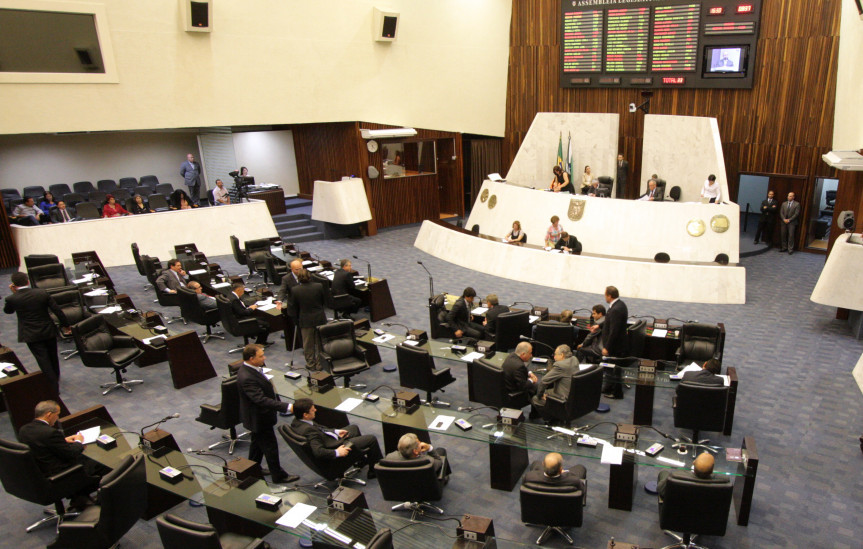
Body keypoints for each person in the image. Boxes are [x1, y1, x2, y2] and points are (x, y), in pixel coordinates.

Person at [18, 401, 101, 509]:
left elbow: (40, 444)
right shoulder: (50, 433)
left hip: (40, 472)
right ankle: (81, 497)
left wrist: (63, 441)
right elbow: (70, 454)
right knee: (98, 463)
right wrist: (79, 442)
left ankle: (79, 497)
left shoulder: (24, 430)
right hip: (59, 474)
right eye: (57, 415)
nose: (57, 418)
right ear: (49, 414)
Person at [236, 344, 299, 484]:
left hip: (256, 417)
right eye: (261, 356)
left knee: (256, 445)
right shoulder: (247, 377)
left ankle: (253, 468)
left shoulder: (251, 369)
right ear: (251, 359)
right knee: (270, 448)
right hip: (259, 418)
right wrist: (287, 407)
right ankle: (278, 476)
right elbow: (261, 400)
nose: (264, 358)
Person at [4, 272, 68, 391]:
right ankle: (56, 376)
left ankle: (53, 385)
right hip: (47, 330)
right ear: (27, 281)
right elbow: (57, 310)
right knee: (53, 355)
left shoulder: (12, 298)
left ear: (14, 285)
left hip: (31, 334)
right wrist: (66, 325)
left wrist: (14, 294)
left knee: (42, 359)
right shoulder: (41, 293)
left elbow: (8, 311)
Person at [291, 398, 383, 479]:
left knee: (353, 428)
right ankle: (374, 472)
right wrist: (337, 452)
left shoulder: (297, 422)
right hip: (333, 448)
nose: (315, 409)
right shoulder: (309, 431)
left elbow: (321, 429)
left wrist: (336, 431)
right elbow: (318, 452)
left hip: (327, 439)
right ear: (305, 415)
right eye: (312, 410)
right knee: (371, 439)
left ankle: (360, 459)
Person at [287, 269, 327, 370]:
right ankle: (320, 364)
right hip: (319, 318)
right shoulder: (319, 286)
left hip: (305, 320)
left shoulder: (295, 290)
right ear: (310, 277)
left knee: (308, 344)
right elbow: (324, 301)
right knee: (320, 343)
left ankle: (311, 364)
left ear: (299, 278)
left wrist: (296, 320)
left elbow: (292, 308)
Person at [531, 345, 579, 417]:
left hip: (563, 398)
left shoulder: (560, 366)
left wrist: (540, 396)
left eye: (555, 354)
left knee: (535, 399)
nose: (554, 357)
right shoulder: (575, 359)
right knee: (548, 390)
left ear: (562, 355)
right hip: (574, 396)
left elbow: (544, 381)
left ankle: (551, 419)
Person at [657, 452, 726, 499]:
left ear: (693, 463)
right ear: (712, 469)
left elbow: (660, 490)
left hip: (677, 515)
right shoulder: (724, 482)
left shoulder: (675, 477)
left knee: (664, 472)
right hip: (707, 517)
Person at [387, 432, 451, 481]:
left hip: (401, 487)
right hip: (424, 487)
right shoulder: (428, 462)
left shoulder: (390, 457)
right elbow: (439, 462)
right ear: (415, 451)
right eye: (419, 442)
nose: (421, 442)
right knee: (441, 450)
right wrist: (429, 448)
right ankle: (444, 479)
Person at [230, 281, 272, 346]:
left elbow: (239, 309)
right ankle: (259, 343)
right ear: (238, 290)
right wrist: (251, 308)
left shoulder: (231, 296)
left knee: (262, 318)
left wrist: (248, 307)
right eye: (243, 290)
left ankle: (260, 341)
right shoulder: (235, 300)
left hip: (235, 319)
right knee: (266, 323)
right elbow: (243, 313)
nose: (243, 293)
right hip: (241, 321)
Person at [601, 286, 628, 358]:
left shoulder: (615, 309)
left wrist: (607, 348)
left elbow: (614, 331)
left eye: (605, 295)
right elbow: (609, 320)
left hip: (614, 348)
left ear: (609, 296)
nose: (605, 297)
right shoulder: (620, 304)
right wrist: (599, 326)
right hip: (616, 345)